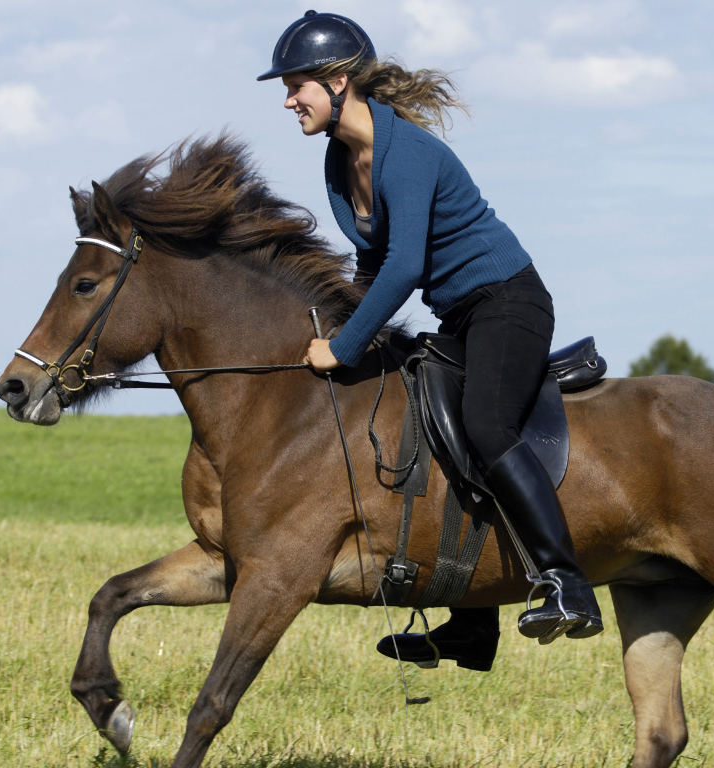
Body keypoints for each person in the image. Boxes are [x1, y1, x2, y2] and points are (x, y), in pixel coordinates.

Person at [258, 10, 602, 662]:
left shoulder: (406, 155)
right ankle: (473, 626)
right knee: (424, 425)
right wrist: (335, 325)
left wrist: (344, 346)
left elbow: (406, 266)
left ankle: (568, 584)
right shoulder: (340, 161)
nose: (287, 99)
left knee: (488, 426)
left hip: (509, 303)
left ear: (337, 82)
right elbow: (369, 263)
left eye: (296, 84)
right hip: (460, 317)